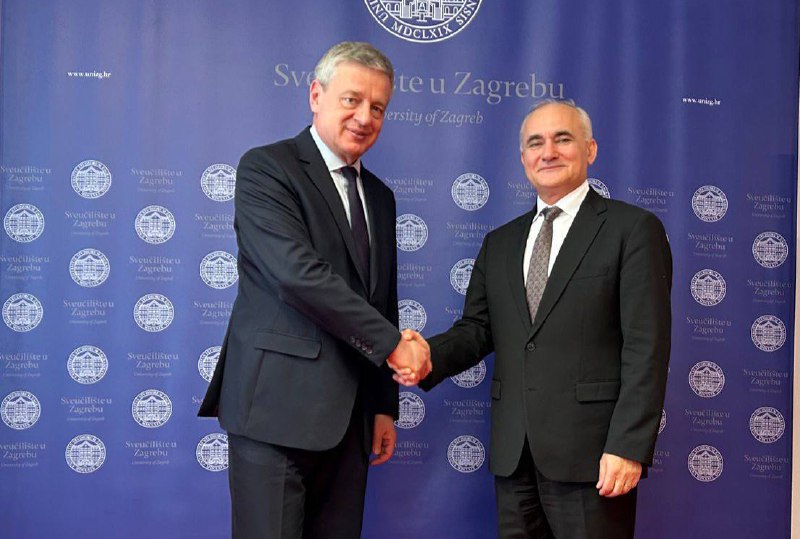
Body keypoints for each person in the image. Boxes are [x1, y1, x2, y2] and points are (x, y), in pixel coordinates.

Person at [405, 99, 671, 538]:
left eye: (562, 139)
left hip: (593, 459)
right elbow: (477, 330)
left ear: (590, 149)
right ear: (523, 156)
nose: (548, 152)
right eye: (535, 142)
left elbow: (647, 347)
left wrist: (628, 445)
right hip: (515, 457)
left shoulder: (632, 230)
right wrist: (425, 355)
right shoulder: (500, 243)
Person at [199, 41, 430, 539]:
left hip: (351, 420)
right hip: (275, 412)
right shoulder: (267, 168)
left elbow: (381, 300)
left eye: (378, 107)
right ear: (316, 95)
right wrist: (395, 346)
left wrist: (383, 404)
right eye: (351, 99)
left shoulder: (381, 197)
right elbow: (296, 275)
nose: (364, 117)